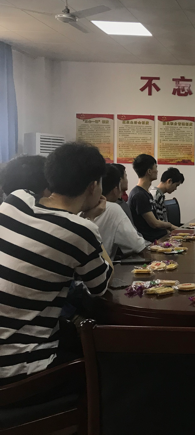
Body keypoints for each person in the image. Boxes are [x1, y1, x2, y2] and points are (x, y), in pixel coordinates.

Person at [0, 142, 112, 385]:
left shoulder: (16, 200)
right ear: (93, 186)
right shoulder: (81, 231)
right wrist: (90, 223)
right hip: (17, 368)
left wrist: (84, 223)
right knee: (107, 363)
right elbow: (100, 286)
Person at [94, 165, 147, 258]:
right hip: (103, 265)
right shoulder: (113, 209)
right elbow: (137, 246)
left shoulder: (84, 207)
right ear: (116, 189)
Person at [128, 154, 177, 241]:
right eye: (155, 168)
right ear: (149, 171)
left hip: (158, 236)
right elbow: (155, 223)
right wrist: (169, 225)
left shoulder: (146, 193)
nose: (157, 171)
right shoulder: (139, 195)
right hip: (151, 241)